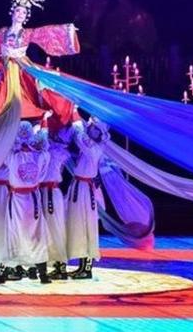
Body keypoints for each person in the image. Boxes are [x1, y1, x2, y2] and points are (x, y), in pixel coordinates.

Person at [3, 121, 52, 284]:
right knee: (36, 234)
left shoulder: (12, 156)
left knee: (15, 233)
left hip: (19, 199)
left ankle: (9, 270)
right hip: (32, 198)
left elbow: (2, 148)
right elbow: (45, 156)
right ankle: (41, 273)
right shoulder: (40, 156)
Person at [66, 119, 107, 279]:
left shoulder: (94, 148)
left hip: (85, 190)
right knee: (78, 225)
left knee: (86, 225)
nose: (91, 129)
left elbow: (79, 136)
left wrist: (75, 118)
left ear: (100, 133)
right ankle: (82, 265)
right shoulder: (90, 145)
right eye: (91, 127)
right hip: (79, 187)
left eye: (95, 128)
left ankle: (87, 267)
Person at [39, 117, 73, 280]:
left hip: (52, 193)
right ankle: (51, 262)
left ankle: (60, 264)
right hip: (46, 192)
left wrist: (45, 122)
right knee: (48, 228)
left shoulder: (58, 152)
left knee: (55, 228)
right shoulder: (55, 150)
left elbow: (44, 143)